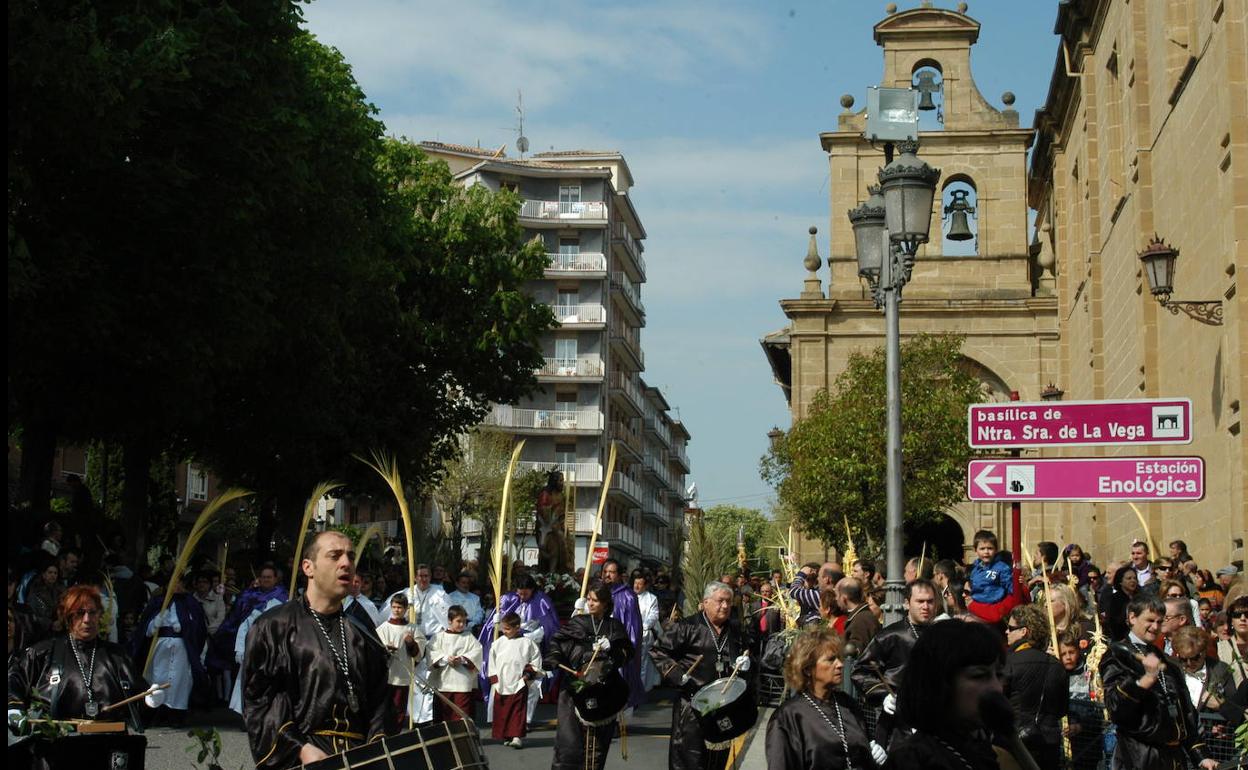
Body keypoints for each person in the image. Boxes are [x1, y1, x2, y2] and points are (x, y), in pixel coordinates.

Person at [242, 530, 389, 768]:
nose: (346, 563)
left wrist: (376, 745)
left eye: (351, 557)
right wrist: (300, 749)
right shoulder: (274, 627)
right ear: (308, 568)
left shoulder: (363, 633)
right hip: (305, 759)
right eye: (335, 555)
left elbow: (380, 703)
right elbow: (260, 701)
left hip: (359, 759)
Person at [8, 586, 166, 769]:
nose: (87, 620)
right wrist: (13, 708)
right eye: (80, 613)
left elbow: (137, 704)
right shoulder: (42, 653)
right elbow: (14, 682)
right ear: (68, 617)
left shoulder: (117, 656)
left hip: (108, 751)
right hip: (55, 751)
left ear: (100, 615)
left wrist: (150, 701)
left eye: (92, 612)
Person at [884, 620, 1027, 770]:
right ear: (940, 683)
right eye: (979, 676)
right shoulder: (913, 761)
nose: (996, 687)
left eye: (998, 675)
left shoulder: (995, 753)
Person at [1099, 594, 1217, 770]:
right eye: (1150, 620)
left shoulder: (1168, 662)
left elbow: (1186, 713)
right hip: (1139, 758)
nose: (1155, 627)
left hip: (1174, 759)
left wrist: (1201, 755)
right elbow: (1116, 707)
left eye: (1159, 622)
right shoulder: (1117, 655)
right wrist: (1145, 680)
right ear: (1132, 617)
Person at [650, 581, 755, 770]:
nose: (724, 606)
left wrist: (746, 664)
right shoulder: (687, 626)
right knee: (689, 757)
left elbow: (748, 653)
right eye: (720, 601)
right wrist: (677, 674)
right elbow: (658, 651)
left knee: (718, 757)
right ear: (706, 602)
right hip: (692, 704)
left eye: (728, 602)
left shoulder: (736, 629)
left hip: (724, 704)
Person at [765, 625, 885, 769]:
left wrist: (872, 756)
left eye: (839, 658)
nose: (840, 664)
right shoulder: (788, 717)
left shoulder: (848, 704)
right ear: (808, 668)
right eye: (831, 659)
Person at [546, 582, 633, 770]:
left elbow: (627, 653)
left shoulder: (614, 626)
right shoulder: (578, 622)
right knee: (569, 743)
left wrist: (613, 649)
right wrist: (554, 658)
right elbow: (557, 643)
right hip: (574, 689)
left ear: (605, 603)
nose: (590, 603)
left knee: (598, 744)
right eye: (588, 599)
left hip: (604, 690)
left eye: (595, 600)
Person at [850, 579, 938, 748]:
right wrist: (884, 695)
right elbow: (860, 671)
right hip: (897, 725)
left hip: (933, 720)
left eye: (930, 601)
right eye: (920, 601)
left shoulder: (943, 635)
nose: (925, 606)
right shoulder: (890, 636)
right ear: (906, 604)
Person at [478, 573, 560, 725]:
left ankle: (525, 720)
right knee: (502, 679)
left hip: (527, 649)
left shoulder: (542, 601)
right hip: (508, 647)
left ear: (532, 590)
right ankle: (497, 717)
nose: (522, 597)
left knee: (530, 684)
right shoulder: (508, 599)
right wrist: (495, 622)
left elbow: (549, 627)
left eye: (525, 593)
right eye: (519, 593)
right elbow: (495, 625)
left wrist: (534, 633)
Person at [133, 576, 208, 725]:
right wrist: (155, 623)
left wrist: (185, 627)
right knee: (158, 677)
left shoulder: (190, 603)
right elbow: (145, 629)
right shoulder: (158, 602)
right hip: (161, 646)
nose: (176, 586)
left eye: (179, 583)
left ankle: (176, 713)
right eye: (173, 583)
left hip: (181, 646)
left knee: (179, 679)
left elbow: (199, 627)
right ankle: (157, 711)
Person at [1002, 604, 1068, 769]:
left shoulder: (1008, 662)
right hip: (1049, 745)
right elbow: (1061, 710)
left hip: (1015, 745)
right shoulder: (1057, 665)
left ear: (1024, 631)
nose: (1006, 632)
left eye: (1010, 628)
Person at [388, 564, 450, 724]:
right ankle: (413, 717)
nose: (423, 579)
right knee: (413, 678)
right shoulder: (407, 593)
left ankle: (426, 717)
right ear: (415, 577)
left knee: (428, 678)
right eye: (420, 576)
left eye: (426, 576)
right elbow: (389, 614)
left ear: (430, 577)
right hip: (411, 639)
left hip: (431, 639)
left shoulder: (439, 593)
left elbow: (448, 617)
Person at [593, 559, 644, 709]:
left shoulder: (628, 596)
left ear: (620, 575)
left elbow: (634, 628)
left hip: (616, 649)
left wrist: (624, 649)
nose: (607, 575)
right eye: (605, 572)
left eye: (612, 572)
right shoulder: (596, 593)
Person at [489, 612, 543, 748]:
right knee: (503, 710)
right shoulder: (498, 643)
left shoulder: (527, 643)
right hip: (501, 682)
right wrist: (494, 679)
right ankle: (506, 734)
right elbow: (492, 662)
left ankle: (516, 736)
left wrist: (527, 675)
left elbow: (535, 661)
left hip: (519, 681)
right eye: (503, 628)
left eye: (507, 629)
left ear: (517, 627)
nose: (504, 631)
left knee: (517, 710)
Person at [374, 593, 424, 732]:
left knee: (399, 707)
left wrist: (411, 643)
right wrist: (385, 650)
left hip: (402, 674)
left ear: (406, 609)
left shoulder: (412, 629)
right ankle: (381, 733)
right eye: (394, 607)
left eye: (400, 607)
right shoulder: (383, 628)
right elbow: (374, 650)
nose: (397, 610)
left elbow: (418, 654)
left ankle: (395, 733)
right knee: (384, 707)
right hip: (386, 674)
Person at [425, 604, 482, 722]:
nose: (462, 624)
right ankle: (445, 740)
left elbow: (477, 652)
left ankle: (461, 740)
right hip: (443, 682)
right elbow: (432, 653)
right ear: (450, 621)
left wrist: (462, 659)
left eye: (464, 621)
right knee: (443, 714)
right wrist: (445, 659)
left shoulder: (469, 637)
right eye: (458, 621)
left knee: (461, 715)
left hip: (462, 683)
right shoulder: (439, 637)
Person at [1058, 630, 1103, 770]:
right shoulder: (1055, 675)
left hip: (1087, 744)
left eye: (1071, 652)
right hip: (1061, 745)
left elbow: (1099, 710)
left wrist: (1081, 725)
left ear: (1078, 651)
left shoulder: (1089, 674)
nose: (1068, 657)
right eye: (1063, 654)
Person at [1172, 626, 1234, 716]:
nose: (1189, 663)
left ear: (1204, 652)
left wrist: (1220, 706)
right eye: (1183, 659)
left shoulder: (1220, 670)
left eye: (1195, 658)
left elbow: (1234, 707)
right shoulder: (1172, 669)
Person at [966, 530, 1016, 625]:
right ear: (975, 550)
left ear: (996, 550)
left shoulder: (1001, 567)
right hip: (976, 608)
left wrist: (1017, 585)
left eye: (990, 548)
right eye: (982, 548)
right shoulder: (975, 568)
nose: (986, 552)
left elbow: (1010, 586)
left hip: (991, 608)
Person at [632, 570, 661, 691]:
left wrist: (644, 626)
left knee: (642, 662)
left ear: (645, 585)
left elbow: (653, 615)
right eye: (635, 583)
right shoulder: (628, 596)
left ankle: (641, 688)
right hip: (629, 633)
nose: (637, 586)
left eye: (640, 584)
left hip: (643, 633)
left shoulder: (651, 598)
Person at [836, 577, 879, 655]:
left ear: (843, 598)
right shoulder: (859, 616)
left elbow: (856, 654)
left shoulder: (862, 620)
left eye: (837, 595)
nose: (836, 599)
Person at [1217, 595, 1247, 686]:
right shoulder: (1219, 648)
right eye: (1237, 615)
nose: (1242, 619)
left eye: (1247, 615)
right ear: (1232, 621)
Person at [1105, 564, 1140, 641]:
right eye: (1129, 578)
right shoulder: (1114, 599)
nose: (1133, 581)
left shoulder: (1140, 597)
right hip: (1121, 639)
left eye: (1134, 578)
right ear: (1120, 581)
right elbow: (1113, 622)